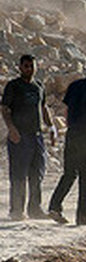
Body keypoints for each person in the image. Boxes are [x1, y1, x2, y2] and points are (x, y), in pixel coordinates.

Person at [49, 58, 86, 226]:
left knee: (69, 173)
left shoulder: (75, 85)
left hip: (72, 134)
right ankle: (82, 217)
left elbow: (66, 111)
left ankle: (54, 205)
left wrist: (71, 127)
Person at [2, 54, 55, 220]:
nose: (29, 69)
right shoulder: (14, 86)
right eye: (26, 66)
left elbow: (44, 107)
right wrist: (11, 129)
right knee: (18, 174)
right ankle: (16, 210)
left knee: (37, 173)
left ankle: (35, 209)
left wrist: (51, 126)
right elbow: (4, 109)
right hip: (20, 136)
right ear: (20, 67)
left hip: (36, 136)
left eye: (32, 66)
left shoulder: (38, 86)